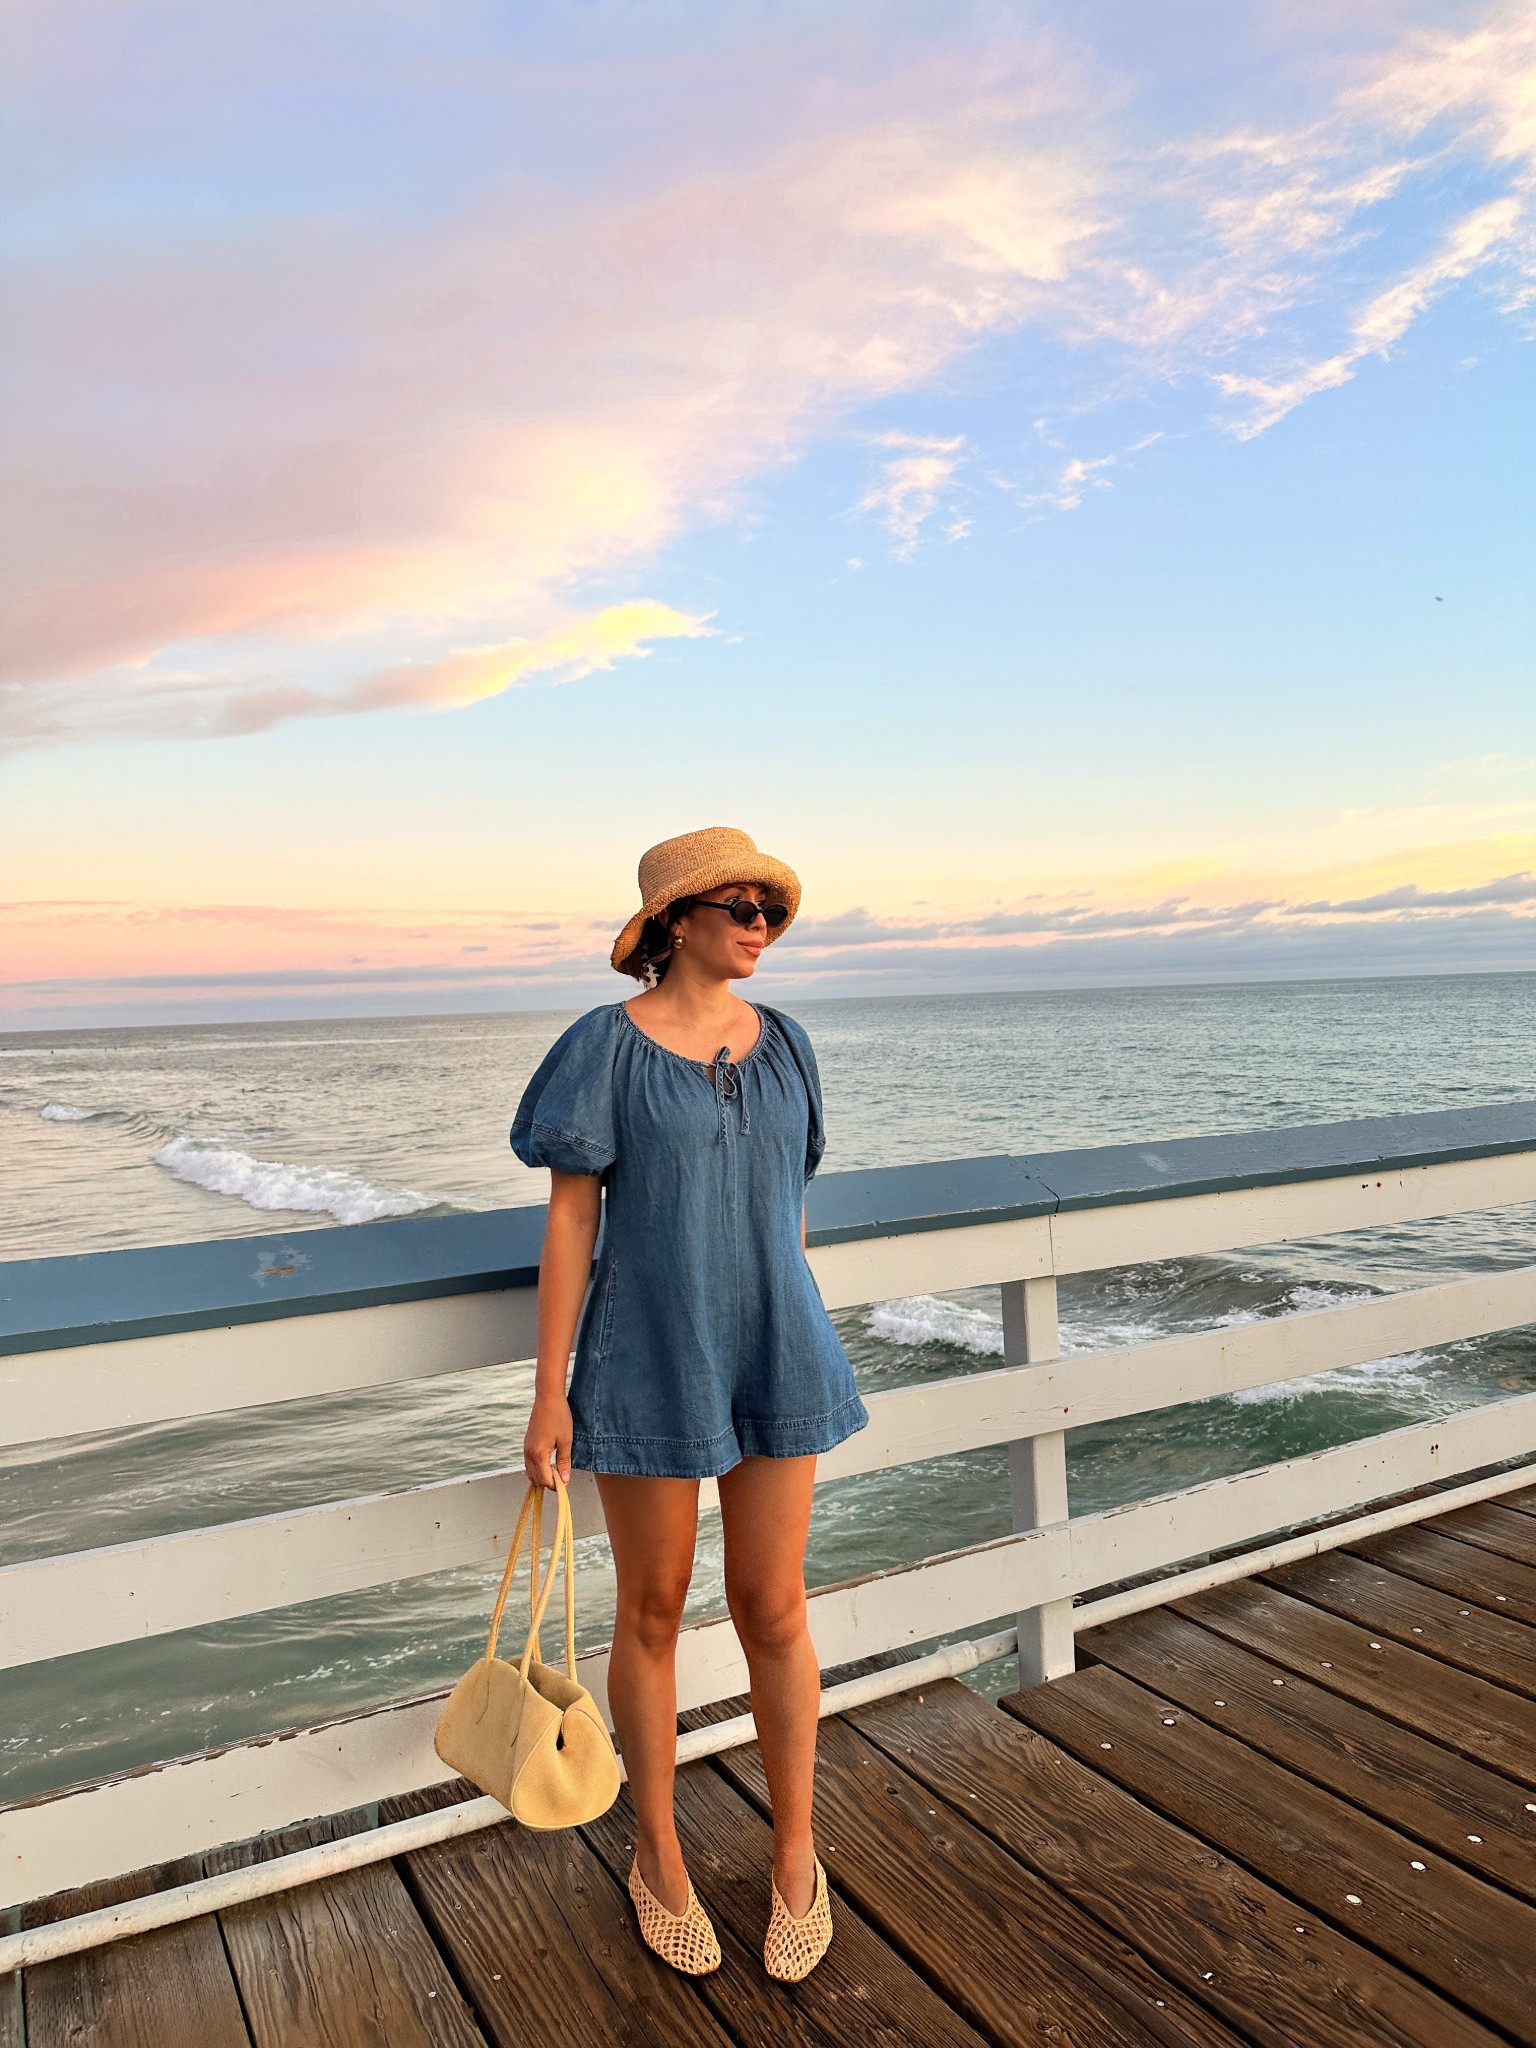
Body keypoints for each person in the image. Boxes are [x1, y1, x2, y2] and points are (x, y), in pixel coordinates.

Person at [510, 825, 869, 1983]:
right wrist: (550, 1392)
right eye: (738, 902)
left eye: (772, 903)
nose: (761, 919)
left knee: (774, 1605)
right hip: (649, 1355)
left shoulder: (791, 1045)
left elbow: (786, 1209)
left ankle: (797, 1855)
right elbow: (571, 1222)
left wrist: (788, 1313)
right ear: (674, 921)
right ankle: (658, 1853)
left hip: (778, 1348)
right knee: (653, 1611)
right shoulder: (602, 1047)